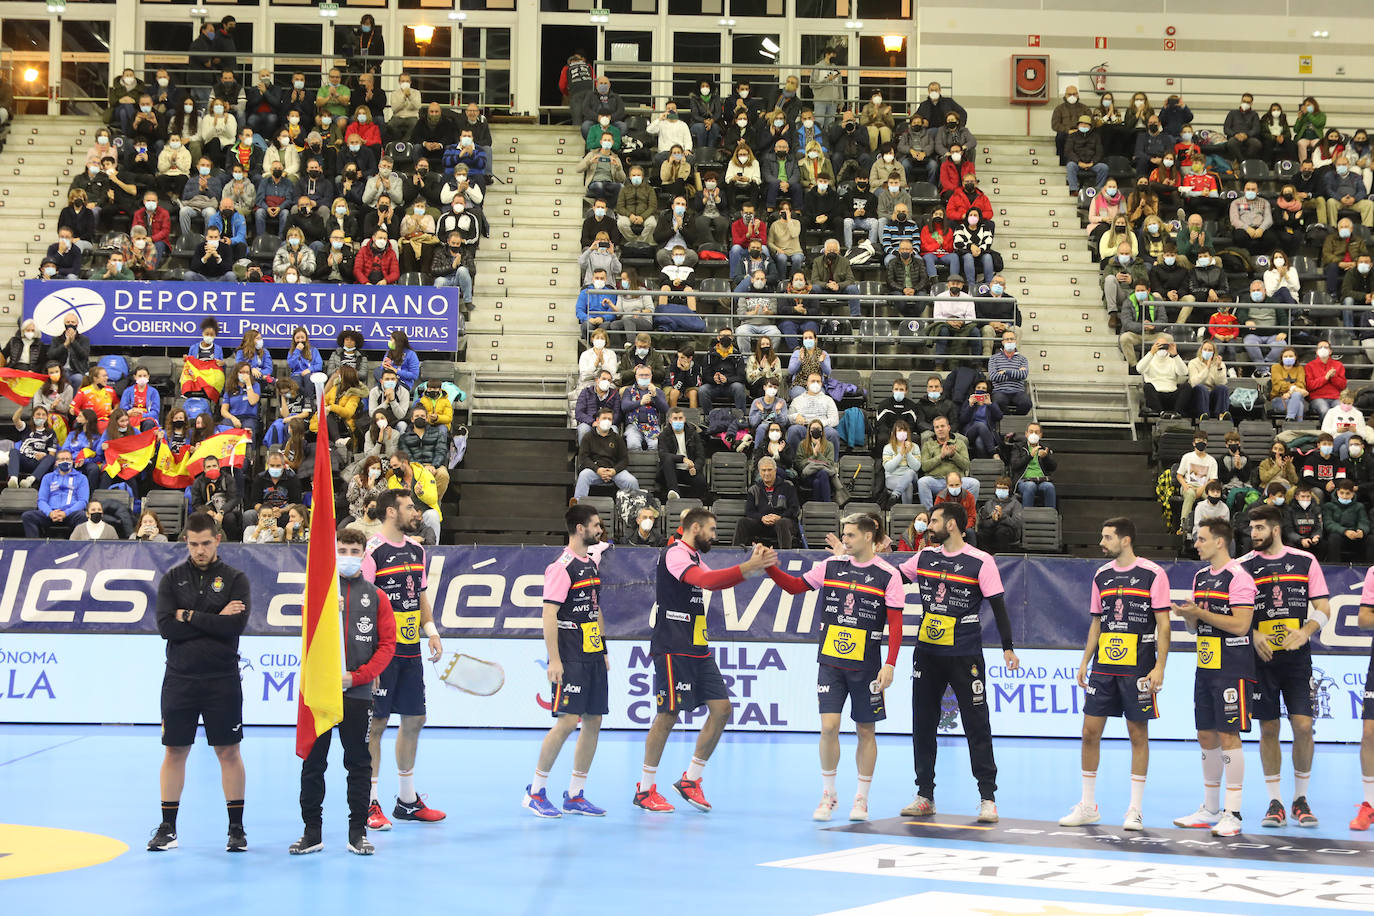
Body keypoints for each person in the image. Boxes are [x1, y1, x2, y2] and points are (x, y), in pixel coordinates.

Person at [632, 511, 776, 813]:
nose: (714, 535)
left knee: (722, 709)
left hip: (697, 645)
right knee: (668, 715)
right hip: (673, 644)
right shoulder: (674, 554)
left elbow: (714, 583)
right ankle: (645, 790)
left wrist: (753, 567)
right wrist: (746, 567)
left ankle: (690, 780)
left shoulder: (694, 556)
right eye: (711, 529)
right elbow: (706, 580)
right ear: (694, 527)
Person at [764, 514, 903, 821]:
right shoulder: (830, 567)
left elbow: (896, 626)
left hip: (867, 667)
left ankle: (861, 799)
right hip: (830, 662)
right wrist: (770, 568)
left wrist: (890, 664)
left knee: (866, 730)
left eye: (851, 535)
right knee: (829, 727)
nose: (845, 540)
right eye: (845, 535)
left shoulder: (887, 575)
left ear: (868, 537)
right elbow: (794, 587)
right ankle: (829, 795)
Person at [896, 502, 1018, 822]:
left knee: (976, 723)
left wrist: (1007, 647)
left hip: (965, 655)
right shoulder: (924, 557)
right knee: (923, 724)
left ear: (951, 525)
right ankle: (925, 795)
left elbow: (998, 606)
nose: (928, 525)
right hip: (927, 653)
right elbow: (890, 579)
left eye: (934, 520)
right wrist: (854, 557)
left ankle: (987, 798)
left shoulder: (981, 561)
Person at [1059, 517, 1172, 831]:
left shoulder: (1153, 574)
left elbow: (1164, 624)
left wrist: (1160, 666)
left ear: (1125, 540)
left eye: (1107, 537)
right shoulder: (1102, 575)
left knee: (1138, 735)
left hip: (1138, 667)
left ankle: (1134, 809)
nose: (1101, 543)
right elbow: (1097, 622)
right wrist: (1085, 662)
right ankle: (1087, 805)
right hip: (1103, 668)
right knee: (1089, 733)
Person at [148, 513, 251, 852]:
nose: (200, 550)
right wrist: (213, 617)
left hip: (222, 678)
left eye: (206, 543)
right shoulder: (172, 578)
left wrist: (189, 615)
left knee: (228, 751)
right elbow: (167, 628)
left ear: (218, 539)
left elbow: (233, 627)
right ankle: (168, 828)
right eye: (193, 544)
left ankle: (236, 829)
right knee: (175, 750)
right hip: (179, 679)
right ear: (186, 542)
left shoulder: (236, 579)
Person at [290, 526, 396, 857]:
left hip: (358, 693)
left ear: (364, 555)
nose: (348, 557)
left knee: (359, 763)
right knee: (313, 763)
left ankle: (357, 833)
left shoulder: (375, 596)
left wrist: (359, 676)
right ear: (332, 553)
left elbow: (387, 644)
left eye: (354, 551)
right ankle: (312, 832)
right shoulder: (318, 593)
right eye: (342, 551)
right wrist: (320, 610)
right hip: (321, 694)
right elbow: (307, 640)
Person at [1239, 505, 1328, 830]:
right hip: (1261, 661)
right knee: (1269, 729)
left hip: (1296, 658)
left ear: (1275, 529)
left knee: (1304, 727)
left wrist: (1305, 632)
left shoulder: (1305, 561)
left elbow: (1323, 606)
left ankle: (1300, 799)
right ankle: (1275, 801)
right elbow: (1232, 612)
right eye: (1252, 528)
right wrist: (1253, 632)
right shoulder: (1243, 566)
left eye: (1260, 528)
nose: (1254, 534)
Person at [363, 490, 446, 831]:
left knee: (415, 719)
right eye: (410, 506)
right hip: (382, 653)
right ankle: (368, 803)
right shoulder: (373, 552)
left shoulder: (417, 549)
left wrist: (432, 630)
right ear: (391, 512)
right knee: (376, 726)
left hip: (411, 650)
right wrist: (368, 660)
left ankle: (407, 801)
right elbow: (361, 605)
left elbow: (420, 595)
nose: (416, 511)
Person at [1171, 519, 1258, 838]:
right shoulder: (1200, 576)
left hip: (1233, 667)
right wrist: (1189, 618)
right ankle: (1209, 808)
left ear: (1220, 542)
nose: (1196, 544)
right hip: (1206, 664)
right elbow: (1196, 629)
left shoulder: (1239, 577)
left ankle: (1232, 813)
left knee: (1229, 736)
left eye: (1202, 539)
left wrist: (1201, 613)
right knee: (1206, 735)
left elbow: (1240, 626)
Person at [524, 505, 611, 819]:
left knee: (593, 721)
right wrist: (555, 659)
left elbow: (595, 608)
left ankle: (575, 794)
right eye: (595, 525)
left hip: (592, 653)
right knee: (566, 721)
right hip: (570, 653)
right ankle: (535, 791)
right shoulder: (560, 567)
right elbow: (549, 614)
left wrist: (602, 648)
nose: (599, 530)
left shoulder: (591, 563)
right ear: (579, 528)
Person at [573, 408, 638, 501]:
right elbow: (583, 458)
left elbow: (624, 459)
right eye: (604, 418)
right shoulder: (588, 437)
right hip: (594, 471)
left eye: (609, 419)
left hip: (613, 471)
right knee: (583, 476)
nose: (607, 421)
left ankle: (635, 508)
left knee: (631, 481)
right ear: (597, 420)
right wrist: (598, 470)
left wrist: (614, 471)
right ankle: (578, 506)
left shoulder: (617, 438)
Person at [22, 448, 88, 538]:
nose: (65, 461)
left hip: (71, 514)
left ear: (72, 462)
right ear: (56, 463)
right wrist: (50, 513)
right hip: (51, 513)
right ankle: (34, 547)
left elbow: (83, 501)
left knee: (83, 516)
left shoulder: (81, 478)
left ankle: (78, 546)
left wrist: (66, 513)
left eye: (68, 459)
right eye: (62, 459)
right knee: (28, 516)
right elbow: (41, 500)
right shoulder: (47, 477)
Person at [735, 456, 799, 548]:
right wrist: (762, 518)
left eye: (769, 470)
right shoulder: (753, 489)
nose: (766, 473)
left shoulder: (788, 486)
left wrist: (780, 517)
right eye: (763, 470)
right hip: (762, 524)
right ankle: (735, 555)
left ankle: (785, 556)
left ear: (775, 470)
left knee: (782, 523)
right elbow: (749, 512)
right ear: (759, 472)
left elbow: (794, 509)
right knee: (742, 522)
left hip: (783, 523)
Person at [918, 416, 977, 508]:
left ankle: (964, 513)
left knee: (974, 483)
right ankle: (931, 515)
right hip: (937, 481)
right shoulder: (928, 444)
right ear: (934, 429)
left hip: (957, 482)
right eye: (937, 427)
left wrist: (954, 455)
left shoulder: (960, 443)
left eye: (942, 426)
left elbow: (966, 465)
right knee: (922, 482)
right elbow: (924, 466)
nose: (940, 429)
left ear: (948, 428)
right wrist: (941, 457)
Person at [658, 407, 705, 502]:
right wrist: (682, 459)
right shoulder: (664, 435)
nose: (678, 421)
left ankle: (690, 503)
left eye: (680, 418)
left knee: (701, 482)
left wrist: (695, 467)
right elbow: (662, 455)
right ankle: (674, 492)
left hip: (688, 470)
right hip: (670, 470)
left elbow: (701, 455)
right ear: (670, 421)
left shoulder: (693, 434)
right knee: (667, 458)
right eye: (675, 418)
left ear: (684, 419)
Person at [1177, 433, 1218, 533]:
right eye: (1198, 440)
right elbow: (1179, 475)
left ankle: (1214, 525)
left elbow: (1213, 480)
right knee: (1190, 494)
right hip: (1188, 485)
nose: (1201, 443)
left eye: (1204, 440)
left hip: (1205, 486)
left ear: (1207, 443)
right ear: (1193, 443)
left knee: (1212, 497)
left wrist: (1202, 488)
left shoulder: (1212, 460)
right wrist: (1185, 485)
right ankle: (1184, 525)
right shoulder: (1187, 457)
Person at [1323, 478, 1371, 563]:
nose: (1344, 496)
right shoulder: (1328, 506)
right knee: (1334, 537)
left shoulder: (1359, 506)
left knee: (1371, 539)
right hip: (1340, 536)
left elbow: (1364, 521)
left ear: (1353, 493)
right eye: (1342, 493)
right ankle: (1334, 567)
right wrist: (1345, 531)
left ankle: (1370, 569)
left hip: (1356, 536)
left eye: (1348, 493)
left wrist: (1362, 531)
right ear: (1337, 492)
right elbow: (1328, 523)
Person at [1010, 423, 1057, 509]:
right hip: (1023, 481)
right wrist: (1030, 456)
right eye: (1031, 432)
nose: (1033, 434)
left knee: (1049, 487)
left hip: (1042, 480)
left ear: (1041, 435)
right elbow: (1014, 465)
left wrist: (1045, 457)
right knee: (1030, 486)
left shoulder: (1045, 448)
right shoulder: (1018, 447)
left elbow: (1053, 467)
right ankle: (1026, 518)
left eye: (1036, 432)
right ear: (1026, 434)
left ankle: (1050, 517)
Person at [976, 478, 1022, 553]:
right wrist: (993, 520)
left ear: (1009, 490)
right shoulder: (989, 503)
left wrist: (1002, 516)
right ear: (995, 489)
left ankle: (1002, 560)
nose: (1001, 490)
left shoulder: (1015, 504)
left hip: (1008, 532)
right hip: (991, 529)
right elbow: (982, 523)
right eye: (999, 488)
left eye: (1004, 488)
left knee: (1001, 532)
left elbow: (1016, 524)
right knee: (982, 533)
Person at [1065, 115, 1108, 195]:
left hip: (1092, 163)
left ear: (1090, 126)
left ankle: (1098, 191)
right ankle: (1074, 190)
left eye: (1086, 124)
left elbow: (1099, 152)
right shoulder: (1072, 136)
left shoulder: (1096, 136)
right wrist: (1079, 162)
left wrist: (1092, 163)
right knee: (1070, 165)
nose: (1084, 126)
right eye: (1081, 124)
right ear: (1078, 125)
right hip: (1077, 163)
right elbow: (1068, 151)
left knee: (1103, 167)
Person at [1188, 340, 1230, 420]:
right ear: (1201, 350)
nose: (1207, 352)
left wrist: (1219, 368)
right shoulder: (1193, 363)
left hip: (1212, 393)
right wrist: (1207, 367)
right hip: (1198, 393)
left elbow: (1221, 383)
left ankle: (1221, 415)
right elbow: (1194, 383)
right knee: (1201, 388)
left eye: (1210, 350)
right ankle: (1204, 415)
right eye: (1205, 349)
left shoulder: (1220, 364)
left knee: (1222, 388)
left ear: (1214, 352)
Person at [882, 421, 921, 505]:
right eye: (899, 430)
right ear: (894, 433)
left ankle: (896, 494)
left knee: (910, 472)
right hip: (892, 478)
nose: (902, 433)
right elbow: (888, 468)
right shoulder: (888, 448)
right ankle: (907, 511)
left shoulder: (914, 447)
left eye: (904, 430)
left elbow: (916, 467)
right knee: (908, 485)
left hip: (912, 478)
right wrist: (901, 454)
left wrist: (907, 452)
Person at [1305, 340, 1346, 419]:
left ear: (1330, 351)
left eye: (1326, 347)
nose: (1323, 349)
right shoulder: (1309, 366)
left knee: (1341, 410)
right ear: (1316, 351)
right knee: (1324, 410)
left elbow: (1343, 386)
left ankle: (1339, 431)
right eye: (1320, 347)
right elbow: (1309, 386)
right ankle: (1326, 431)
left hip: (1335, 398)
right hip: (1317, 398)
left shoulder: (1338, 365)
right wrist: (1325, 378)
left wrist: (1334, 377)